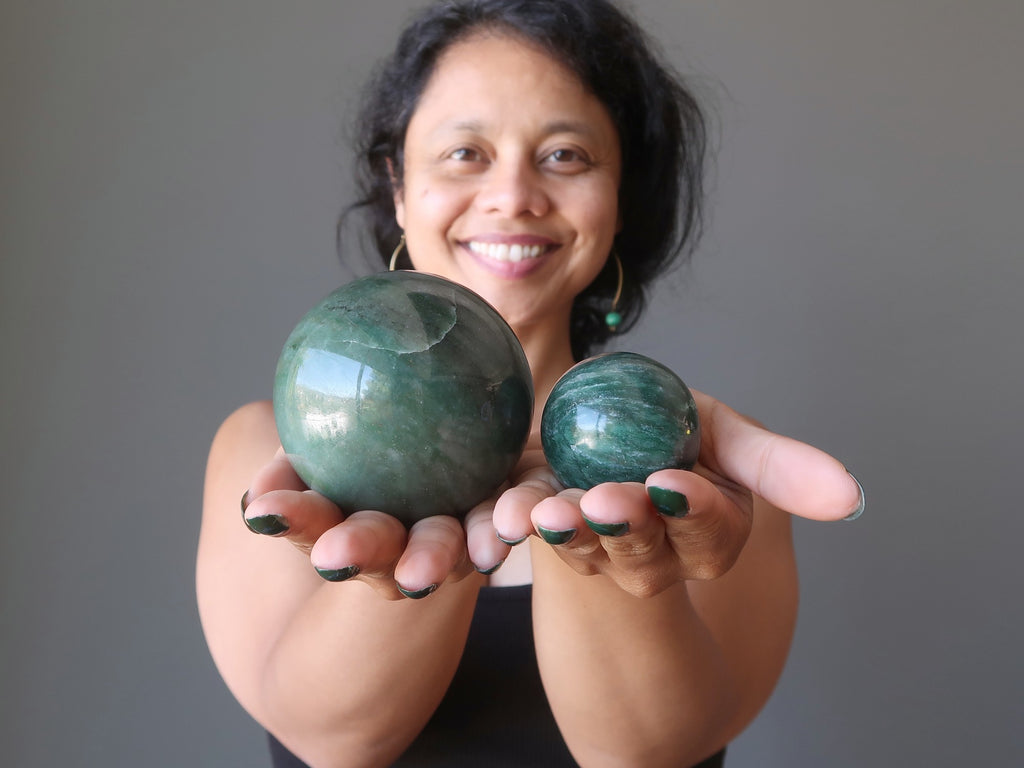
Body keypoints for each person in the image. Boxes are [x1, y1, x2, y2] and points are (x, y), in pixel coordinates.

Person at [196, 1, 865, 766]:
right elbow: (332, 740)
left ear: (618, 202)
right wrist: (439, 477)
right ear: (399, 188)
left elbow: (646, 755)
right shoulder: (270, 451)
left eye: (566, 156)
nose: (513, 195)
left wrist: (593, 526)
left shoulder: (703, 467)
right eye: (464, 153)